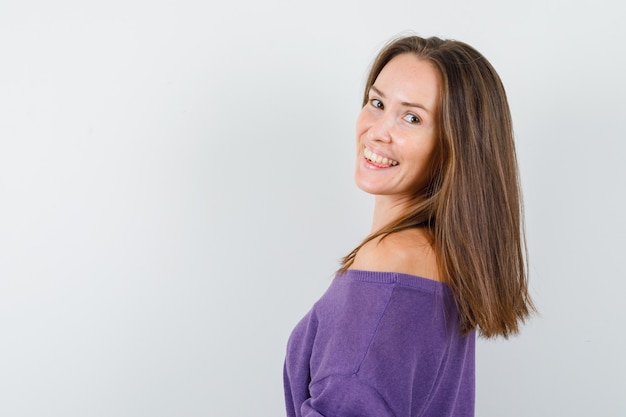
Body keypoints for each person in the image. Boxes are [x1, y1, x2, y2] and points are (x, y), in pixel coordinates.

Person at [283, 34, 535, 417]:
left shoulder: (389, 262)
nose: (378, 130)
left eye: (412, 117)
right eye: (377, 103)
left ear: (454, 148)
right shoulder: (441, 259)